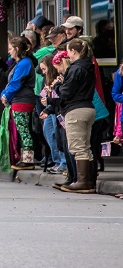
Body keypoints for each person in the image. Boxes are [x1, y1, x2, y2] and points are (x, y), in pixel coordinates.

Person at [51, 39, 97, 193]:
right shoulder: (89, 67)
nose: (67, 55)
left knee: (78, 147)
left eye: (69, 51)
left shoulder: (76, 68)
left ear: (75, 52)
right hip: (88, 107)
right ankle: (89, 180)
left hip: (75, 109)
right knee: (86, 146)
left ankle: (82, 181)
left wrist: (57, 86)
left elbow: (66, 92)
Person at [0, 36, 38, 170]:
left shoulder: (24, 63)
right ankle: (24, 157)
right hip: (19, 100)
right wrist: (4, 94)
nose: (9, 52)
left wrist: (6, 95)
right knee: (22, 130)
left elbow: (16, 83)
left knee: (24, 130)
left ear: (17, 49)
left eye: (10, 49)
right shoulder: (22, 63)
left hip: (22, 100)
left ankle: (28, 160)